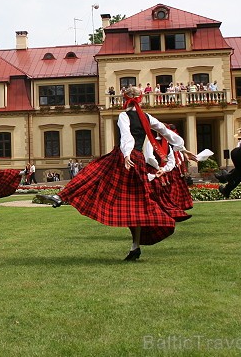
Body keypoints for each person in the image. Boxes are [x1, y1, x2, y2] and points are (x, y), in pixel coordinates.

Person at [43, 86, 196, 261]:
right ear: (141, 99)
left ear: (126, 99)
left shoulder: (125, 116)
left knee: (93, 173)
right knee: (136, 204)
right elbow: (166, 132)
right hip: (137, 160)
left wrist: (126, 153)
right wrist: (183, 148)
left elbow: (126, 136)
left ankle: (61, 197)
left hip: (125, 158)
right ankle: (135, 247)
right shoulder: (146, 117)